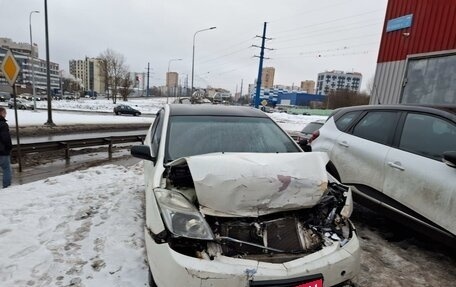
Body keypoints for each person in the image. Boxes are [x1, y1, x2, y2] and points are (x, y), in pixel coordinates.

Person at [0, 107, 12, 188]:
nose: (6, 114)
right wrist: (9, 147)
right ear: (1, 113)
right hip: (2, 151)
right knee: (6, 169)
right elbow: (5, 138)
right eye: (5, 112)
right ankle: (6, 187)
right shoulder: (3, 124)